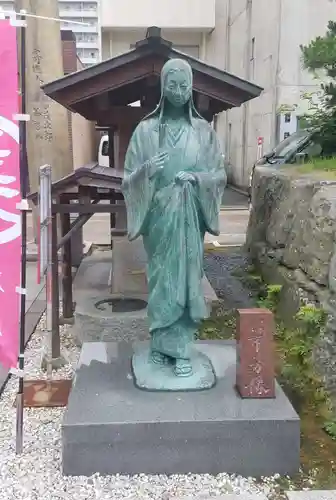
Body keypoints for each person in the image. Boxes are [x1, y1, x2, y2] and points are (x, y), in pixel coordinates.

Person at [122, 58, 226, 377]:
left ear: (191, 88)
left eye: (184, 86)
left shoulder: (204, 132)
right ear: (163, 88)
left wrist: (197, 180)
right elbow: (128, 179)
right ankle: (159, 344)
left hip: (190, 217)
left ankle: (181, 350)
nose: (179, 92)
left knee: (186, 280)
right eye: (172, 85)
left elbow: (219, 175)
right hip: (159, 220)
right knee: (162, 280)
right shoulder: (146, 130)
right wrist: (147, 171)